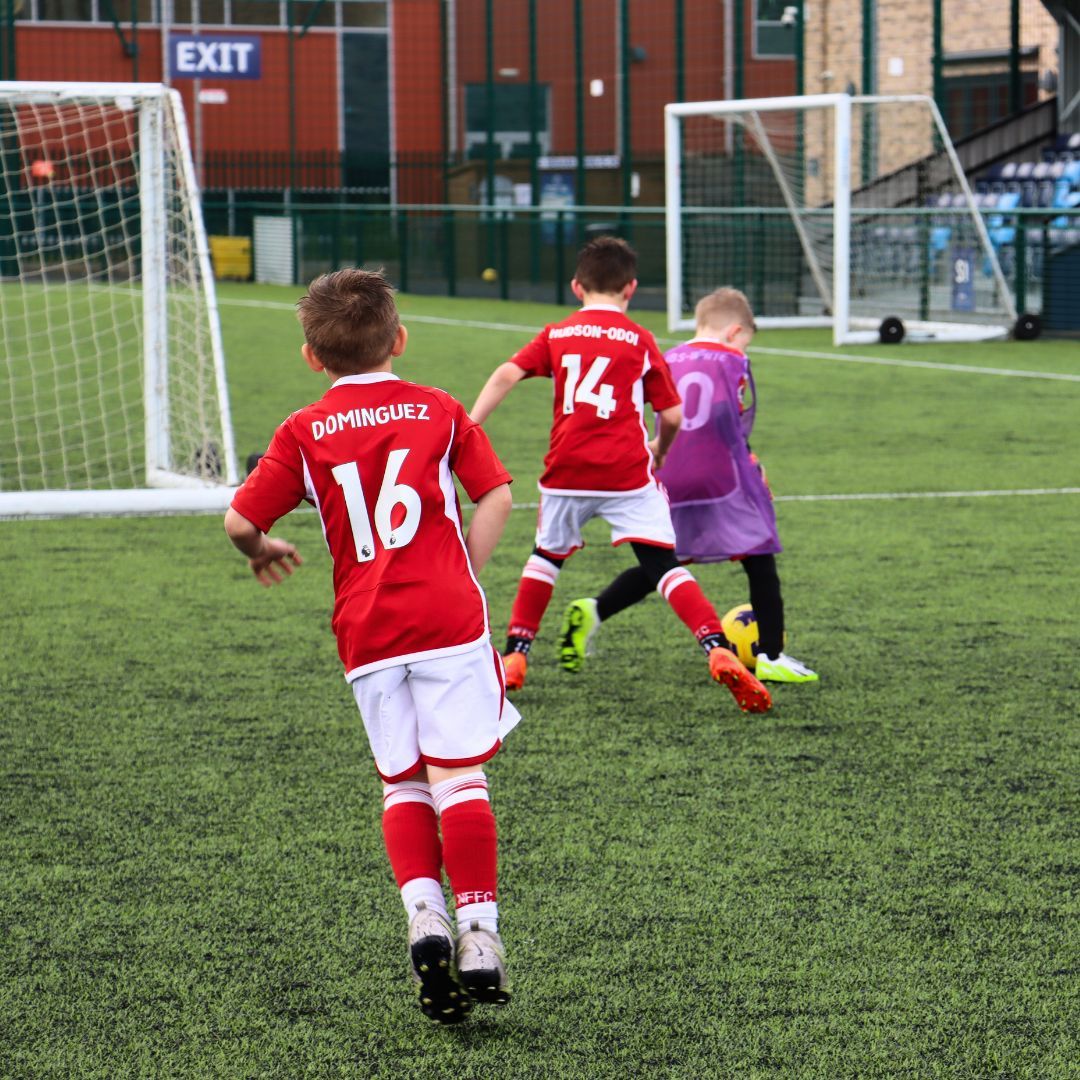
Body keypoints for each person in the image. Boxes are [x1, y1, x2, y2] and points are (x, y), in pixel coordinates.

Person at [224, 268, 518, 1024]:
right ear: (400, 339)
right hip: (450, 619)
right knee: (462, 777)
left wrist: (259, 548)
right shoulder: (440, 409)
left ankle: (425, 917)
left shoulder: (300, 429)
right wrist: (463, 572)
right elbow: (496, 493)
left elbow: (237, 522)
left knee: (404, 782)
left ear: (311, 357)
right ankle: (480, 933)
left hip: (368, 629)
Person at [469, 237, 771, 713]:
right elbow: (671, 416)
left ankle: (515, 656)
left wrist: (471, 424)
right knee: (663, 564)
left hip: (566, 468)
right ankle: (716, 647)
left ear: (576, 286)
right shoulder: (640, 339)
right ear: (631, 288)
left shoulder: (558, 333)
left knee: (546, 556)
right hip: (626, 472)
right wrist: (659, 453)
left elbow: (508, 373)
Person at [557, 287, 818, 684]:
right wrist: (753, 467)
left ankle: (595, 608)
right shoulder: (735, 361)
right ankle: (771, 655)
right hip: (720, 475)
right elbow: (730, 420)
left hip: (664, 471)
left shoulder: (665, 357)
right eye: (746, 338)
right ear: (734, 332)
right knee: (760, 553)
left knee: (665, 561)